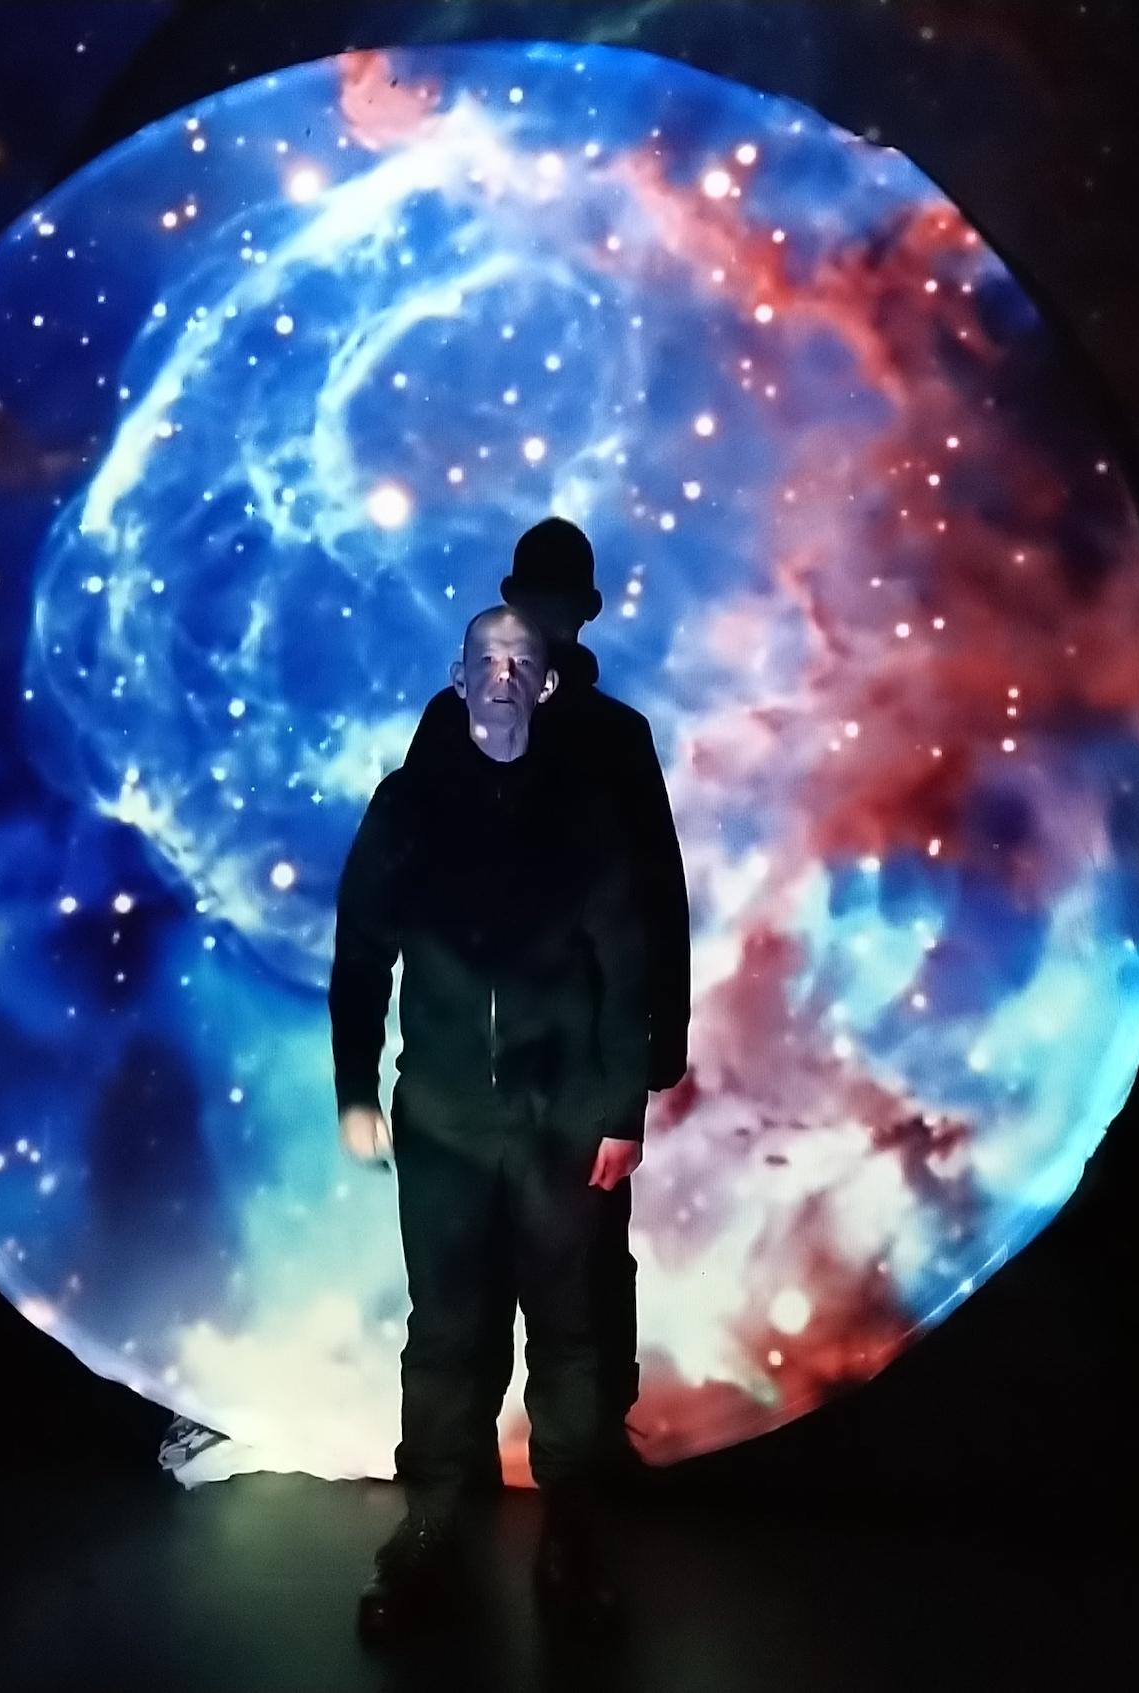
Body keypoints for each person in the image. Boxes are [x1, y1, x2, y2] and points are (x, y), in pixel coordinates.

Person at [330, 600, 657, 1643]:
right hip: (444, 1123)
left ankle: (572, 1532)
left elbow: (627, 964)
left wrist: (618, 1109)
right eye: (487, 658)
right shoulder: (409, 805)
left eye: (522, 659)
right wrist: (354, 1088)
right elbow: (359, 956)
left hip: (562, 1124)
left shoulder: (587, 809)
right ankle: (427, 1526)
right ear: (458, 674)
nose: (505, 674)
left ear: (548, 680)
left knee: (568, 1336)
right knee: (447, 1337)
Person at [401, 518, 691, 1463]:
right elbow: (410, 880)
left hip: (568, 1081)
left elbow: (653, 906)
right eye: (532, 603)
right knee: (462, 1312)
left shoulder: (612, 739)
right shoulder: (453, 727)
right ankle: (452, 1521)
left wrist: (646, 1064)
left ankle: (576, 1520)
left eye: (552, 605)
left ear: (574, 614)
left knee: (578, 1310)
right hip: (468, 1078)